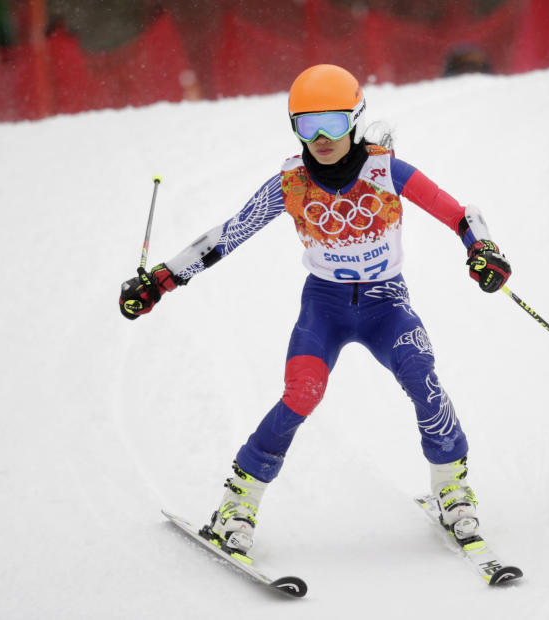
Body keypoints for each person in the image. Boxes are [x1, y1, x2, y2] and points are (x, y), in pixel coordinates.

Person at [119, 64, 512, 558]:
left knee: (422, 377)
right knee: (302, 393)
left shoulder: (386, 171)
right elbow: (228, 234)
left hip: (385, 304)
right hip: (324, 307)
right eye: (308, 125)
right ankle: (237, 503)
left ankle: (451, 489)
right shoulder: (291, 182)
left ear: (355, 120)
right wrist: (161, 279)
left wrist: (484, 249)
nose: (321, 137)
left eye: (333, 122)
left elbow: (461, 214)